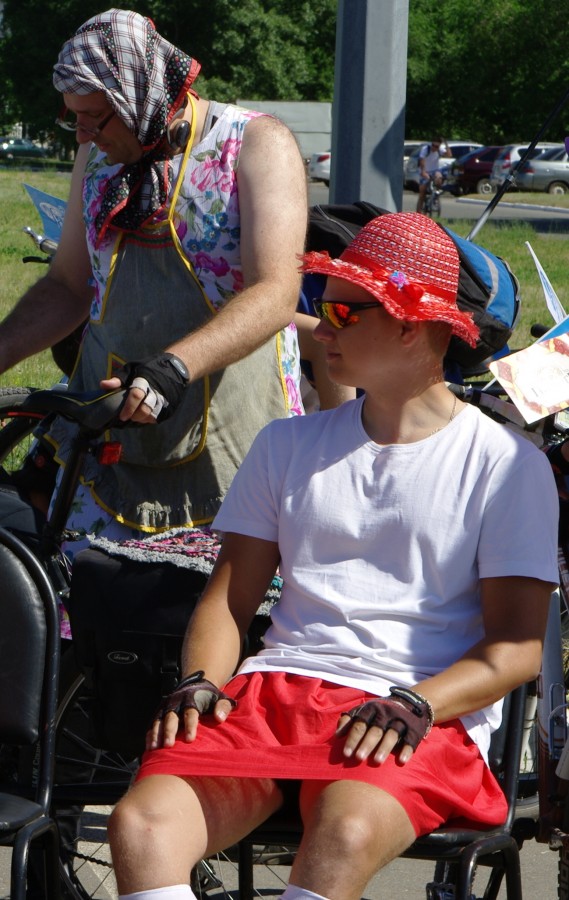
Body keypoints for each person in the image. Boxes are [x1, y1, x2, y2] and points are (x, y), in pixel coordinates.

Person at [107, 211, 559, 900]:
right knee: (140, 826)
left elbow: (516, 650)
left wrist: (417, 703)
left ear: (410, 325)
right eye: (321, 306)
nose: (321, 328)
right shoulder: (286, 445)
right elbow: (228, 600)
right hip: (272, 693)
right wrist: (199, 680)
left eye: (344, 312)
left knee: (342, 833)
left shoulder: (505, 465)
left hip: (414, 707)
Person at [0, 8, 307, 557]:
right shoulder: (95, 156)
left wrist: (172, 369)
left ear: (140, 96)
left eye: (96, 117)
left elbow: (276, 292)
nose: (84, 134)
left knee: (196, 602)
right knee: (85, 593)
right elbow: (68, 286)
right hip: (111, 430)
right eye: (74, 118)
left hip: (231, 438)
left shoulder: (256, 144)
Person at [416, 136, 451, 213]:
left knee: (439, 177)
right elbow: (422, 160)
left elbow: (449, 155)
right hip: (424, 170)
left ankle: (435, 195)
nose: (434, 148)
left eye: (436, 146)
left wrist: (446, 144)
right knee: (422, 192)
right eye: (433, 145)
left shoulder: (440, 150)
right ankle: (418, 212)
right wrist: (423, 172)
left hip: (434, 170)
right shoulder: (426, 149)